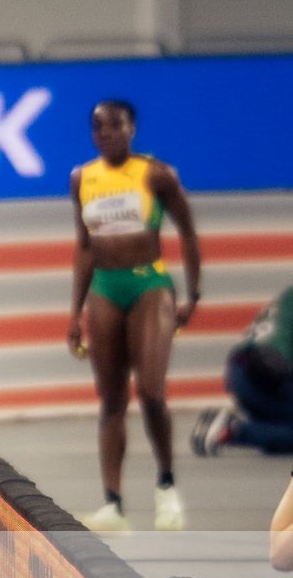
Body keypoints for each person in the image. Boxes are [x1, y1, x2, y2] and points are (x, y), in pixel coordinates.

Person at [66, 100, 201, 533]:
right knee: (110, 400)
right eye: (98, 127)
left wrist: (192, 294)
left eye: (115, 126)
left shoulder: (156, 174)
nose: (106, 133)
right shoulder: (81, 178)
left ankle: (166, 487)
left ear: (132, 129)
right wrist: (74, 312)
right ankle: (113, 504)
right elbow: (85, 246)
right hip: (105, 288)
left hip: (150, 285)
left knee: (151, 390)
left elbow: (188, 231)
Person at [193, 284, 293, 457]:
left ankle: (254, 430)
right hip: (266, 373)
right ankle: (232, 429)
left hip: (242, 368)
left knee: (284, 434)